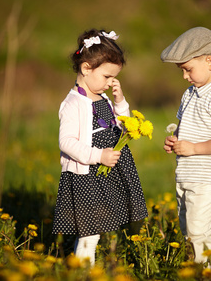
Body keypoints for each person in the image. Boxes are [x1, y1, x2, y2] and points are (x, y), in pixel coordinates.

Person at [52, 28, 148, 266]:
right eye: (106, 77)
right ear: (86, 68)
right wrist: (98, 155)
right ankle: (84, 270)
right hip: (87, 175)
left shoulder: (102, 98)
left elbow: (122, 125)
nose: (110, 82)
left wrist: (119, 101)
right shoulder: (73, 103)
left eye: (114, 78)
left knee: (95, 228)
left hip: (105, 173)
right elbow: (66, 142)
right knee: (90, 231)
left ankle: (82, 266)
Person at [161, 27, 211, 279]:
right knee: (189, 230)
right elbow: (189, 130)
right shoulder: (191, 93)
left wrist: (193, 149)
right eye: (182, 70)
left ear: (209, 61)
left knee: (198, 231)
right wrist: (177, 142)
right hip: (188, 174)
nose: (184, 76)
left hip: (208, 177)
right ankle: (202, 271)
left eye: (187, 69)